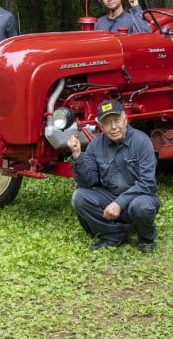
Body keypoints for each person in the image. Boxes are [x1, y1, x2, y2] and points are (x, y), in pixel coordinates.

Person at [66, 99, 160, 252]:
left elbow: (147, 183)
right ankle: (114, 235)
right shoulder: (95, 146)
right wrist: (77, 155)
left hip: (139, 196)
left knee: (141, 206)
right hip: (109, 197)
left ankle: (146, 238)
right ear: (101, 126)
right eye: (107, 123)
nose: (114, 127)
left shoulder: (142, 142)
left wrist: (119, 203)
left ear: (125, 120)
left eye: (117, 120)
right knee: (79, 197)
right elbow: (87, 183)